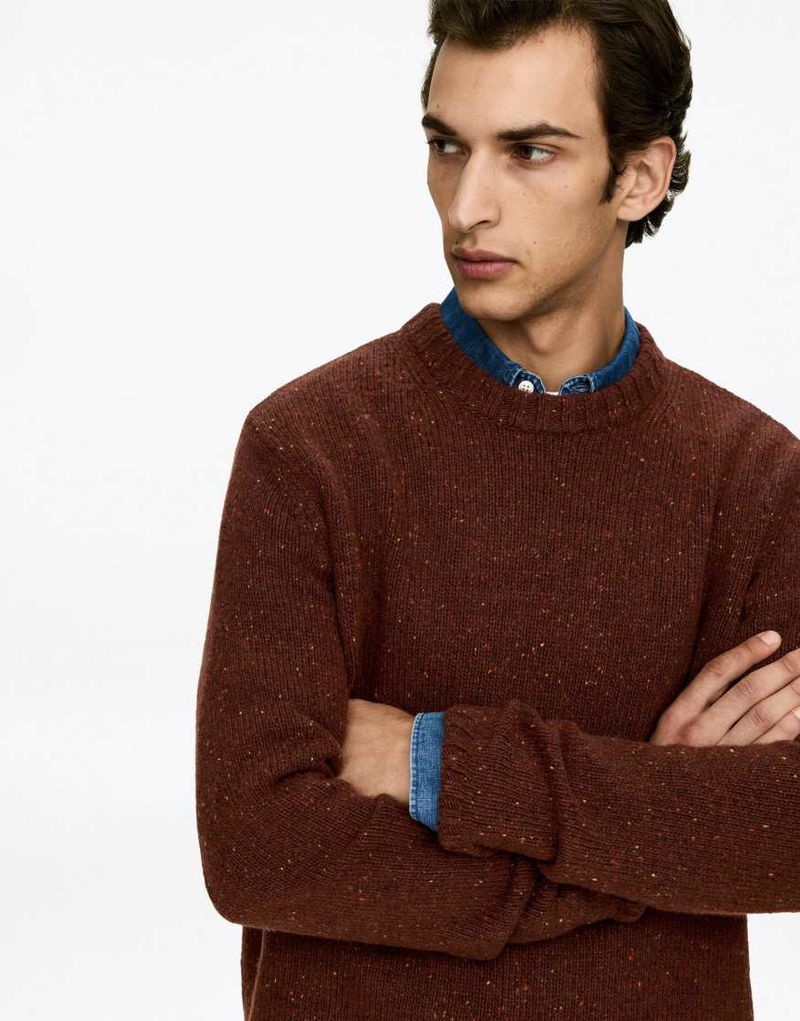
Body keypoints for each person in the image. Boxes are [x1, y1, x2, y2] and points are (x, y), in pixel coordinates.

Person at [195, 3, 800, 1018]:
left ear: (638, 177)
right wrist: (655, 819)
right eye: (447, 146)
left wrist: (437, 765)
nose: (466, 204)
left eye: (529, 151)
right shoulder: (307, 448)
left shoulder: (756, 478)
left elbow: (783, 834)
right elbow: (259, 848)